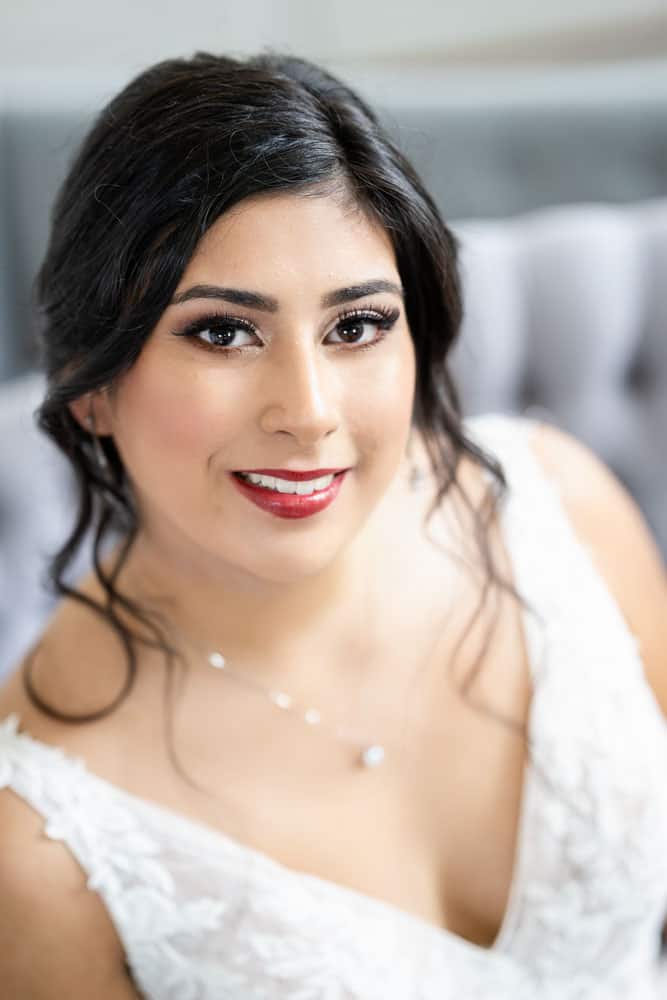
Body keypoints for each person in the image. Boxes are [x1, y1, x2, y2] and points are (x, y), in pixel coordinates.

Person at [0, 51, 665, 1000]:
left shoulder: (564, 511)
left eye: (355, 326)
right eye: (224, 332)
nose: (308, 413)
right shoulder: (35, 846)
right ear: (94, 385)